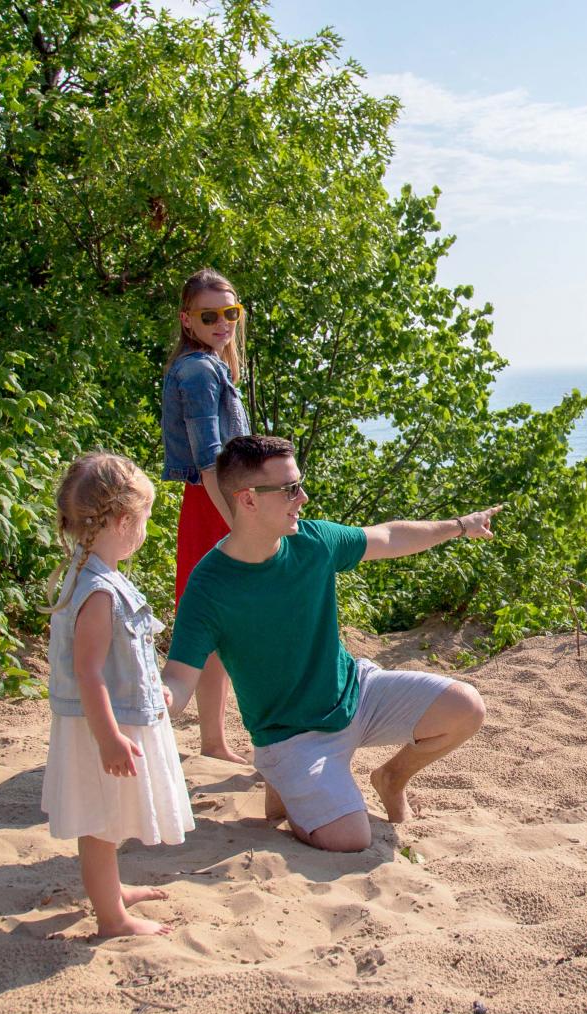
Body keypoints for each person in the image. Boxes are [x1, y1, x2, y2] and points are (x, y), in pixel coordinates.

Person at [162, 435, 497, 853]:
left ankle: (390, 778)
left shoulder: (312, 541)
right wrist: (152, 700)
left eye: (298, 484)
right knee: (350, 839)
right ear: (247, 500)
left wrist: (460, 526)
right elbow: (178, 679)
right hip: (293, 735)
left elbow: (389, 536)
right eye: (288, 489)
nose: (302, 497)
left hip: (356, 692)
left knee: (467, 707)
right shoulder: (209, 586)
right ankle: (285, 779)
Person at [40, 452, 193, 938]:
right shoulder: (99, 589)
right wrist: (108, 738)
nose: (146, 531)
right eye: (145, 519)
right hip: (100, 724)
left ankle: (112, 891)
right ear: (123, 520)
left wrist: (154, 693)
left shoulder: (91, 573)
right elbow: (88, 671)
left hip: (116, 714)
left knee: (108, 818)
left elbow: (118, 660)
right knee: (101, 824)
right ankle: (113, 919)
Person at [160, 268, 252, 764]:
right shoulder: (198, 370)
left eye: (230, 313)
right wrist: (240, 521)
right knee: (215, 630)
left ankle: (213, 742)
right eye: (209, 315)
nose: (223, 323)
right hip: (216, 503)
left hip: (219, 501)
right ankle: (148, 732)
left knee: (213, 631)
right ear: (187, 320)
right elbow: (209, 459)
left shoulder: (213, 366)